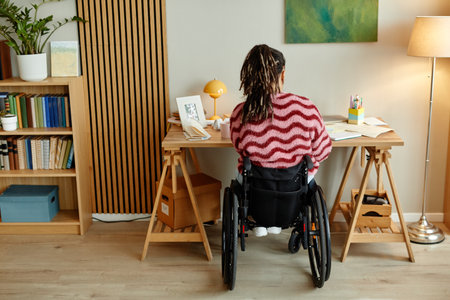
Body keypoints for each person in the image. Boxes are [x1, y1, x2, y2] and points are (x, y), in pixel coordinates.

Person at [230, 44, 332, 237]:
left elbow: (239, 147)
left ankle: (261, 220)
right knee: (307, 172)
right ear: (282, 74)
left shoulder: (240, 112)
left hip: (256, 185)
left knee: (243, 175)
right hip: (295, 183)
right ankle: (280, 218)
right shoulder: (305, 108)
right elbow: (323, 151)